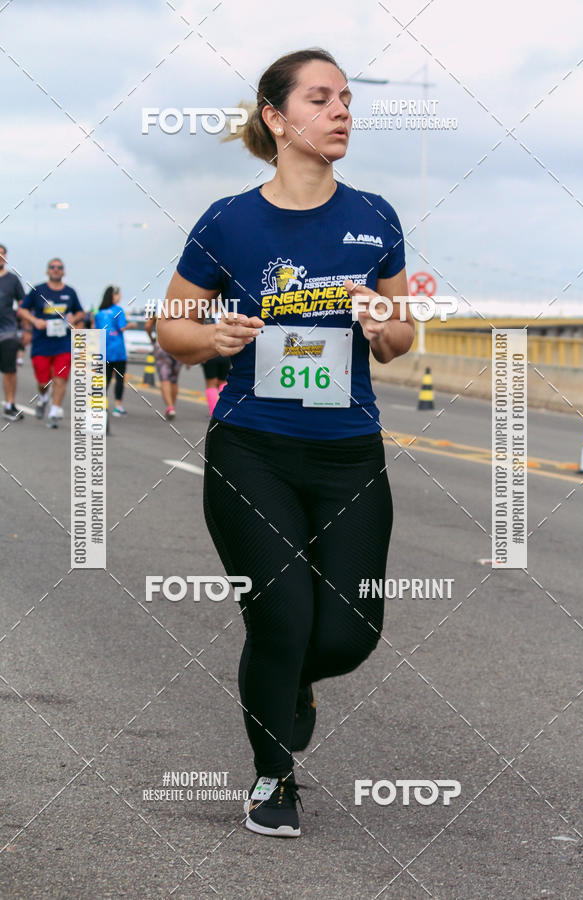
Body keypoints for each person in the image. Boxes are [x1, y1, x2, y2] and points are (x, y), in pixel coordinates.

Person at [157, 48, 414, 838]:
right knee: (281, 619)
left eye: (345, 99)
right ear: (276, 117)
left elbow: (403, 335)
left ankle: (291, 685)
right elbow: (170, 326)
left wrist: (384, 327)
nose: (342, 111)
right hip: (252, 450)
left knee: (349, 630)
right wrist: (215, 334)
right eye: (321, 98)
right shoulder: (228, 221)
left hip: (349, 454)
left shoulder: (375, 217)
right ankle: (274, 777)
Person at [20, 257, 84, 428]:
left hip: (63, 343)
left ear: (63, 271)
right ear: (47, 271)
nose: (56, 270)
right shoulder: (38, 290)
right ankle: (43, 398)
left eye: (59, 267)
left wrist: (74, 318)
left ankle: (55, 410)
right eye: (53, 267)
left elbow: (80, 312)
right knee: (43, 382)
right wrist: (34, 321)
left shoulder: (70, 292)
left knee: (60, 378)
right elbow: (22, 309)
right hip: (41, 342)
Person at [93, 286, 134, 416]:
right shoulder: (118, 310)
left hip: (104, 350)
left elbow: (96, 331)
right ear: (114, 296)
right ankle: (118, 407)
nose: (120, 297)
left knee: (105, 380)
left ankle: (99, 406)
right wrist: (131, 325)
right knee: (120, 379)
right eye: (118, 295)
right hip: (118, 351)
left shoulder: (99, 312)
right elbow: (122, 327)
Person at [0, 244, 26, 421]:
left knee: (10, 370)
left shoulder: (13, 280)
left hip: (8, 332)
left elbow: (23, 304)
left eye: (2, 253)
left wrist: (26, 329)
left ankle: (10, 404)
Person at [144, 313, 182, 420]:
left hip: (162, 344)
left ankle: (170, 407)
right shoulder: (183, 307)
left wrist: (152, 339)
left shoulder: (158, 307)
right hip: (178, 345)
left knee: (165, 378)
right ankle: (172, 406)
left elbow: (147, 326)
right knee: (174, 379)